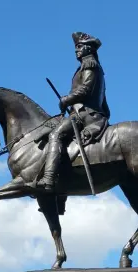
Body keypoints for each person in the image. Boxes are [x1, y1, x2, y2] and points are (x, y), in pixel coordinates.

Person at [34, 31, 110, 193]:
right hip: (89, 113)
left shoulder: (89, 65)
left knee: (55, 135)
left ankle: (48, 178)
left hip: (85, 114)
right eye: (76, 47)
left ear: (89, 49)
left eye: (80, 46)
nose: (77, 50)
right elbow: (102, 99)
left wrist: (66, 99)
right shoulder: (92, 67)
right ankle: (60, 196)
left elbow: (85, 89)